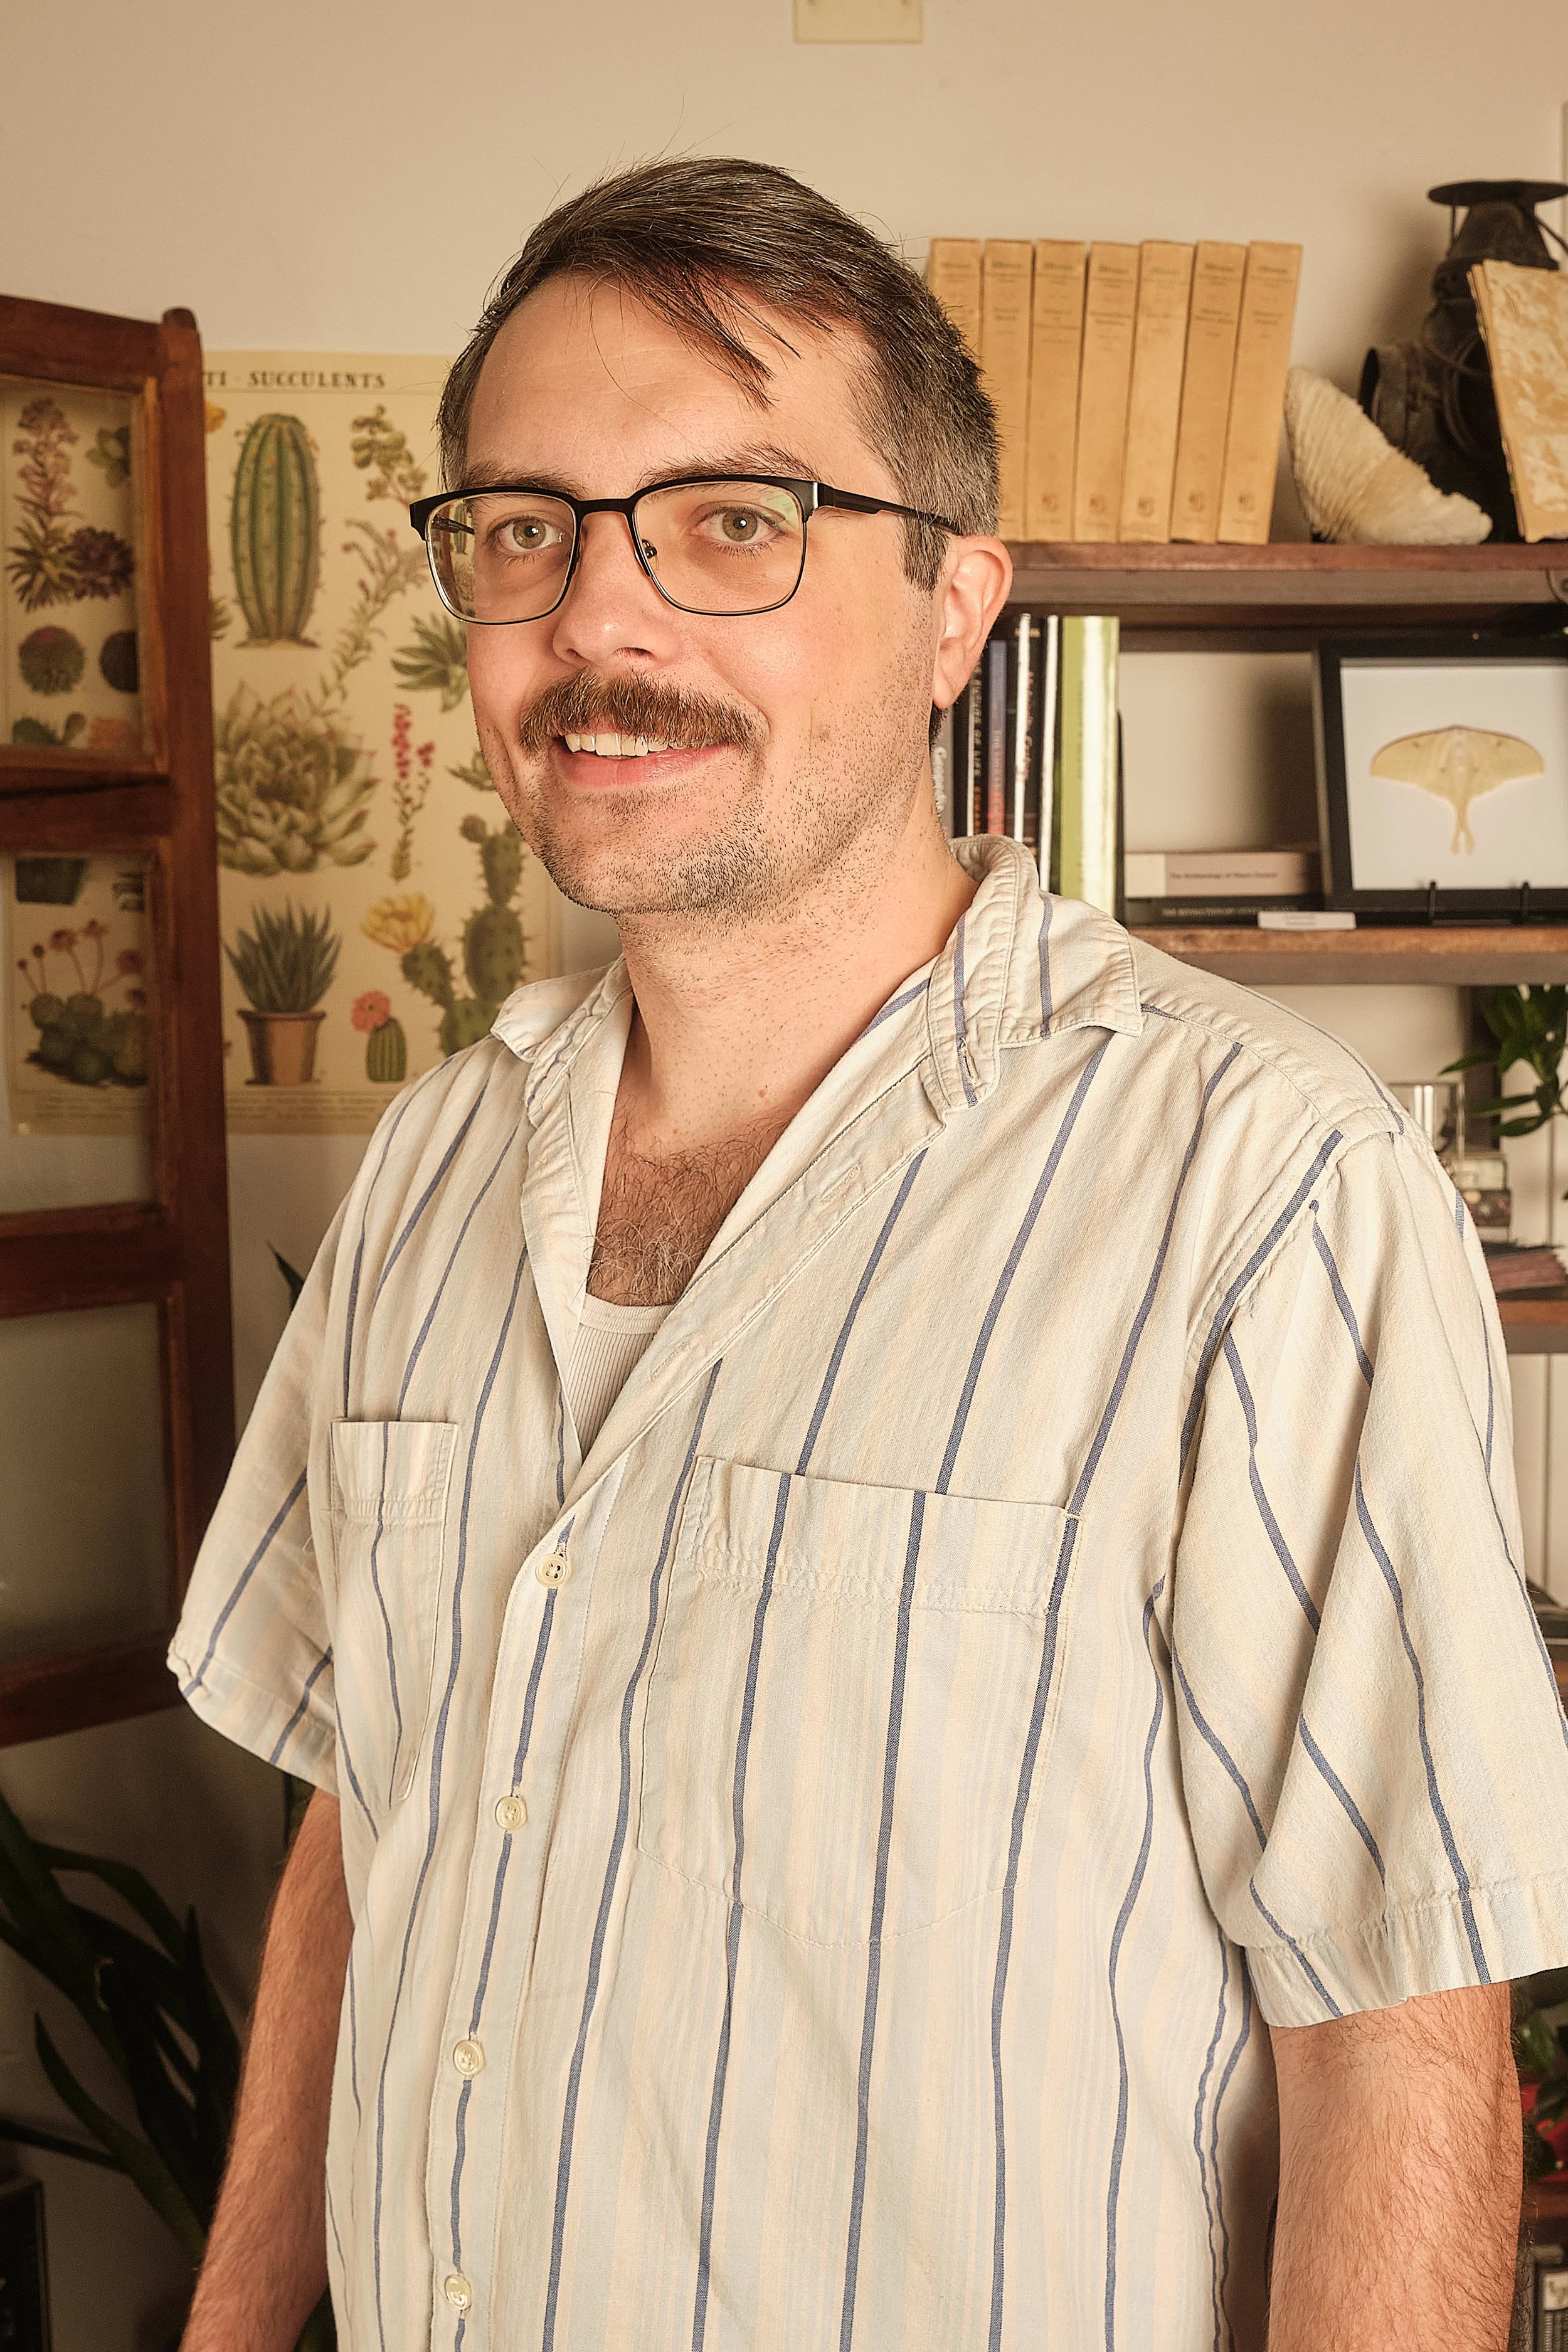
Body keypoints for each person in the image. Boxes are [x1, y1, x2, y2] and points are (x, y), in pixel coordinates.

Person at [174, 157, 1568, 2352]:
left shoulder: (1254, 1187)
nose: (599, 624)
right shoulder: (431, 1164)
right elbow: (376, 1819)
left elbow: (1397, 2037)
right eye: (524, 528)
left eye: (733, 519)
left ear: (951, 610)